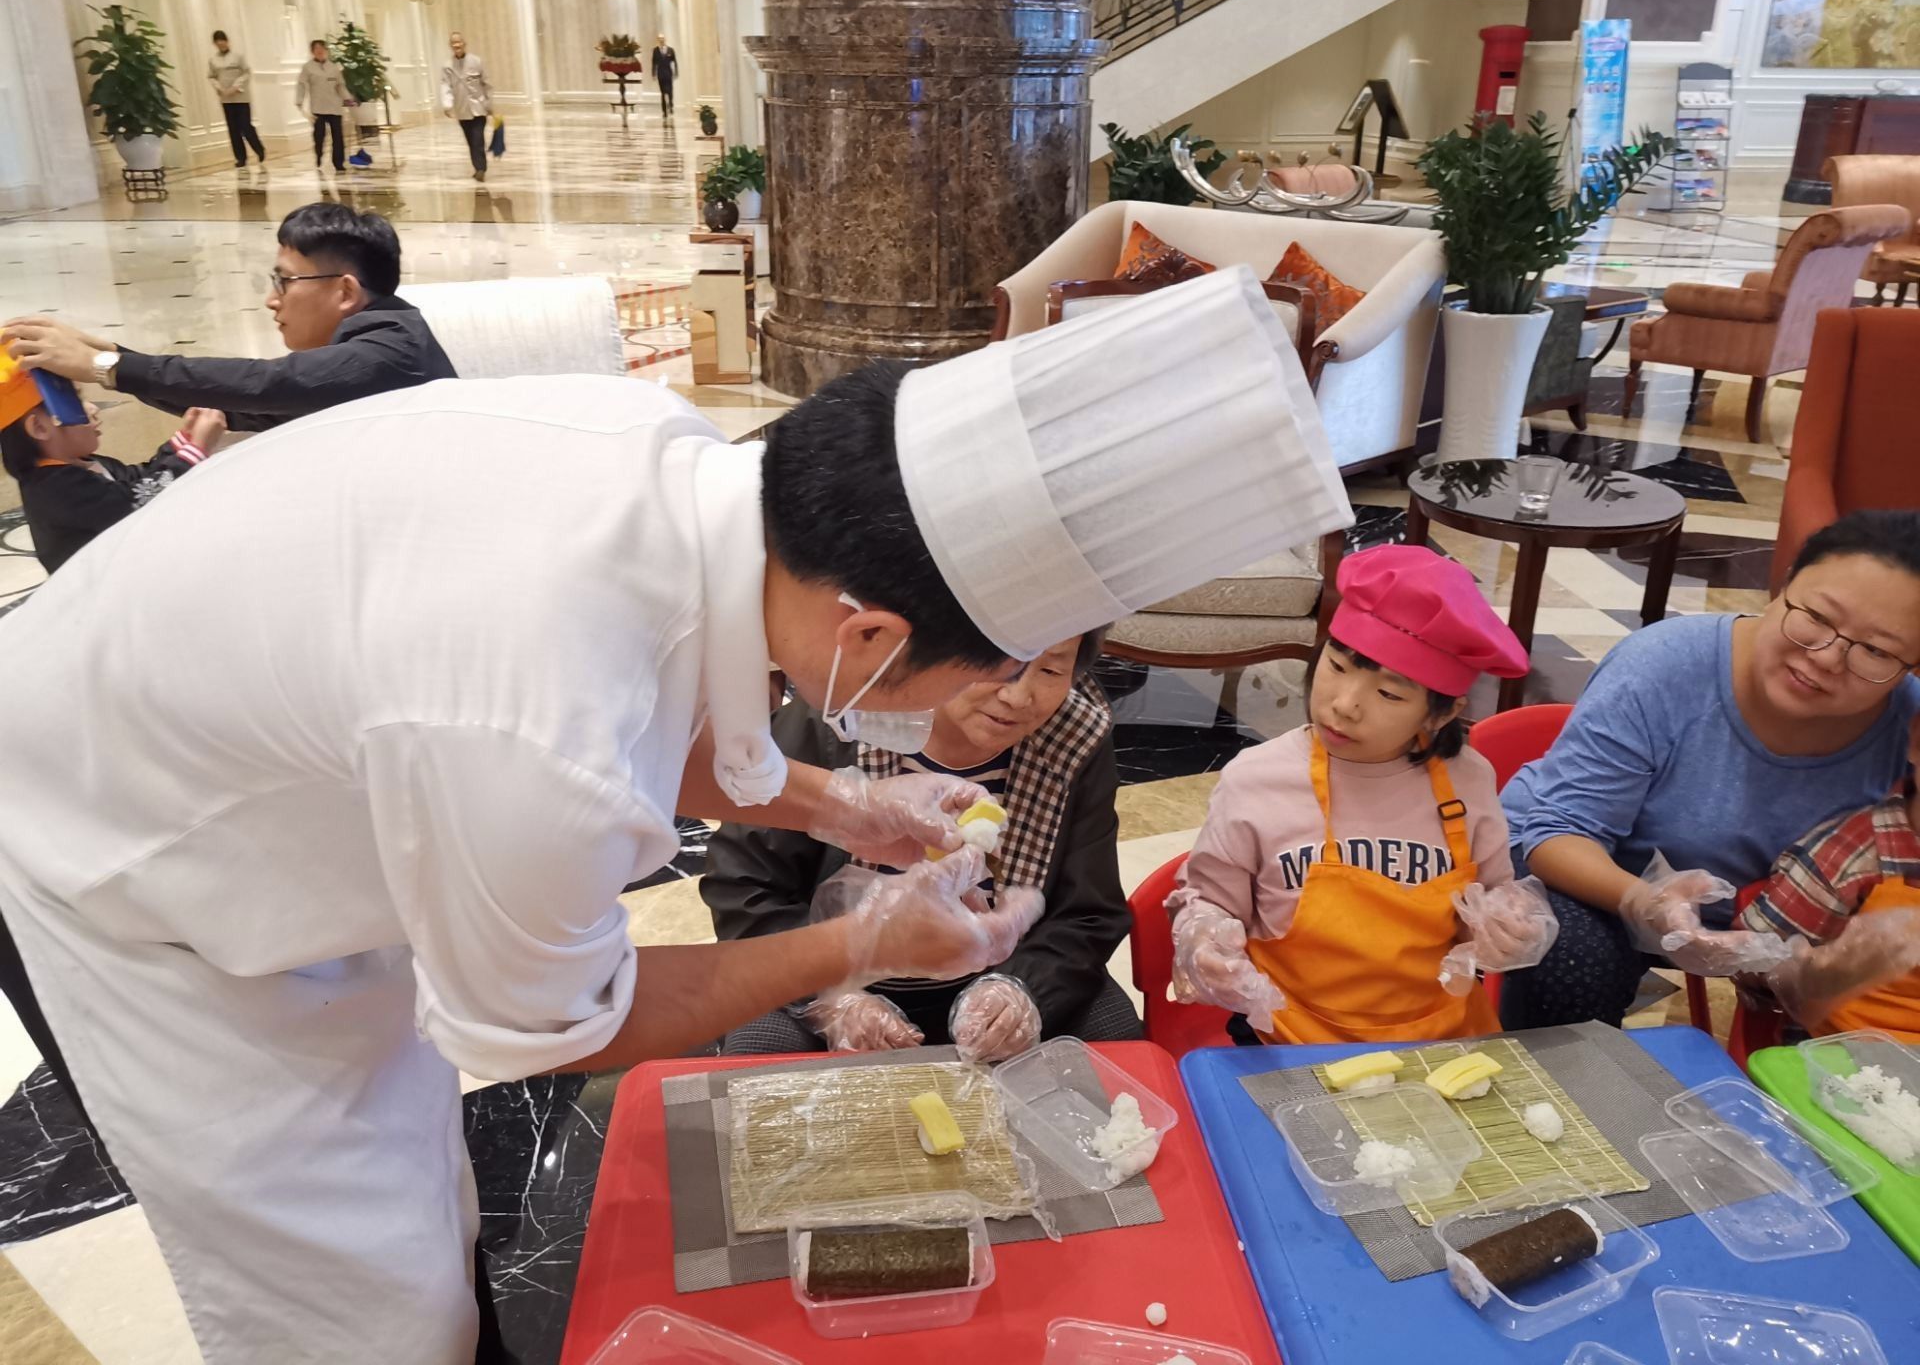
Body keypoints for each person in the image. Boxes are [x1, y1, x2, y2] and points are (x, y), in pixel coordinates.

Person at [0, 265, 1350, 1363]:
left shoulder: (680, 465)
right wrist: (861, 944)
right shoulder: (535, 728)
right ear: (870, 635)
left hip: (318, 751)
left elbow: (647, 709)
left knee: (421, 1184)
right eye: (982, 674)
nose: (1000, 705)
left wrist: (837, 803)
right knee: (361, 1310)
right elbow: (566, 1025)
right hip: (118, 857)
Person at [1500, 510, 1920, 1029]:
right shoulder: (1665, 666)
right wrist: (1643, 901)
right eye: (1816, 617)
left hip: (1763, 923)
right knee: (1577, 963)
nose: (1827, 658)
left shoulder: (1908, 725)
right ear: (1784, 585)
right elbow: (1560, 832)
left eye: (1876, 650)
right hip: (1583, 873)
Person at [705, 625, 1140, 1063]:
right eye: (1002, 661)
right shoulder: (840, 715)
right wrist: (836, 997)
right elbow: (745, 887)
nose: (1017, 696)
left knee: (1117, 1045)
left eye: (1051, 670)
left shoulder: (1074, 740)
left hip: (1008, 970)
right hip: (827, 966)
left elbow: (1086, 912)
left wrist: (1020, 991)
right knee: (756, 1059)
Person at [1171, 545, 1553, 1044]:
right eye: (1337, 665)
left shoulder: (1468, 780)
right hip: (1286, 1035)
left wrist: (1507, 924)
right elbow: (1210, 903)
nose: (1346, 704)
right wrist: (1203, 935)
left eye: (1389, 693)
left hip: (1438, 1036)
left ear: (1441, 713)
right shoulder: (1255, 780)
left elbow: (1491, 895)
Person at [2, 202, 455, 434]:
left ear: (345, 291)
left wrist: (107, 367)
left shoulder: (392, 350)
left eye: (285, 281)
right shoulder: (371, 354)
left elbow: (269, 384)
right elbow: (239, 407)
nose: (271, 300)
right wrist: (110, 356)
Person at [1731, 715, 1920, 1041]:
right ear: (1917, 741)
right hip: (1847, 1056)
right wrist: (1824, 969)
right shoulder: (1846, 860)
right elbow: (1746, 963)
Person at [0, 379, 225, 576]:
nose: (93, 408)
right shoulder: (55, 488)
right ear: (39, 427)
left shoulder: (85, 464)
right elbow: (135, 503)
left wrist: (182, 441)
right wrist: (194, 451)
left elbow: (138, 481)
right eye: (76, 400)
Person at [208, 30, 265, 168]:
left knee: (245, 126)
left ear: (227, 41)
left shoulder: (238, 56)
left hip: (241, 97)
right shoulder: (213, 60)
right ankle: (240, 157)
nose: (221, 44)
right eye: (217, 42)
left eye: (222, 41)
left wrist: (236, 86)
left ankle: (259, 149)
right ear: (215, 43)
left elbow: (246, 73)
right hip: (226, 99)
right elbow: (211, 76)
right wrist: (219, 88)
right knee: (233, 129)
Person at [295, 38, 354, 172]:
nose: (320, 51)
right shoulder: (308, 68)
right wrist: (299, 101)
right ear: (312, 51)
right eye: (316, 49)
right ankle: (319, 156)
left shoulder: (334, 68)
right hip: (318, 107)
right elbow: (301, 85)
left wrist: (348, 99)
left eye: (322, 48)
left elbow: (340, 86)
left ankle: (338, 162)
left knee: (338, 136)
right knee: (319, 136)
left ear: (326, 50)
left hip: (334, 106)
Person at [440, 32, 493, 182]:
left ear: (464, 43)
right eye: (453, 43)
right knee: (470, 140)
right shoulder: (447, 66)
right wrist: (447, 105)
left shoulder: (476, 61)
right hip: (462, 109)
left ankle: (481, 168)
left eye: (459, 42)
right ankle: (477, 167)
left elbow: (487, 83)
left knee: (478, 139)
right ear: (450, 46)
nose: (456, 45)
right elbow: (445, 86)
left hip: (478, 108)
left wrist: (489, 103)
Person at [651, 33, 677, 117]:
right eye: (659, 38)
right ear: (658, 40)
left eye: (662, 38)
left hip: (668, 73)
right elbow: (654, 63)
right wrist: (653, 73)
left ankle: (671, 104)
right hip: (660, 73)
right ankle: (664, 110)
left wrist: (676, 72)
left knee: (669, 91)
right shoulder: (655, 50)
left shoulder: (670, 50)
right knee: (662, 92)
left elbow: (674, 62)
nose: (661, 40)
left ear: (665, 39)